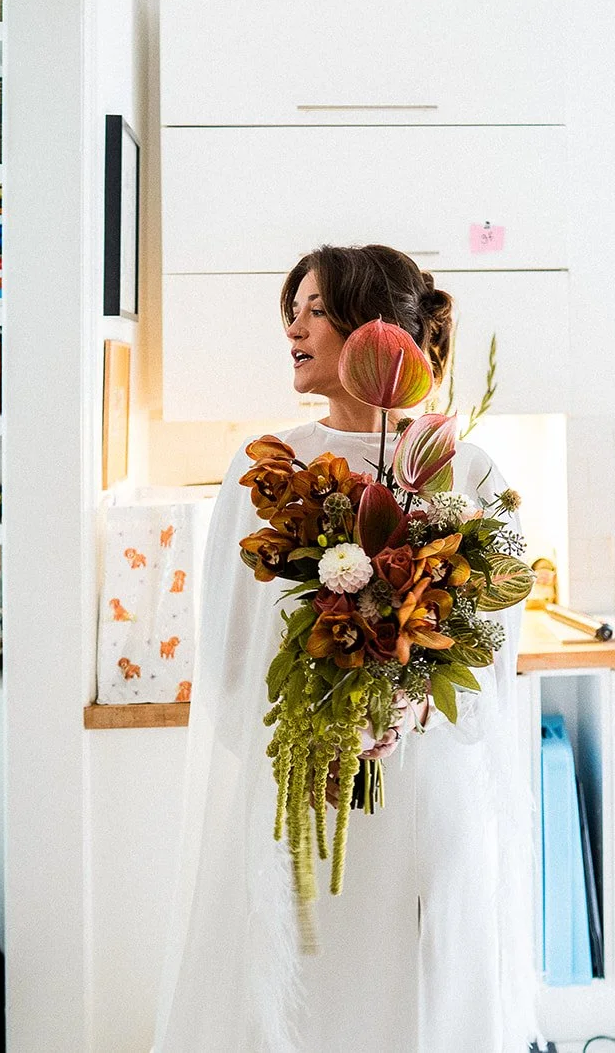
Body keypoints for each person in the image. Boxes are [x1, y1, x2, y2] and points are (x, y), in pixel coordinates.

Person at [154, 244, 536, 1052]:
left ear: (373, 326)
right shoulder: (267, 468)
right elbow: (226, 656)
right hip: (309, 796)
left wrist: (411, 703)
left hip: (429, 798)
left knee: (428, 1002)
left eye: (315, 310)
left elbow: (497, 657)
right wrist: (322, 727)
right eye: (290, 311)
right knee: (312, 1004)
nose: (293, 328)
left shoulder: (465, 467)